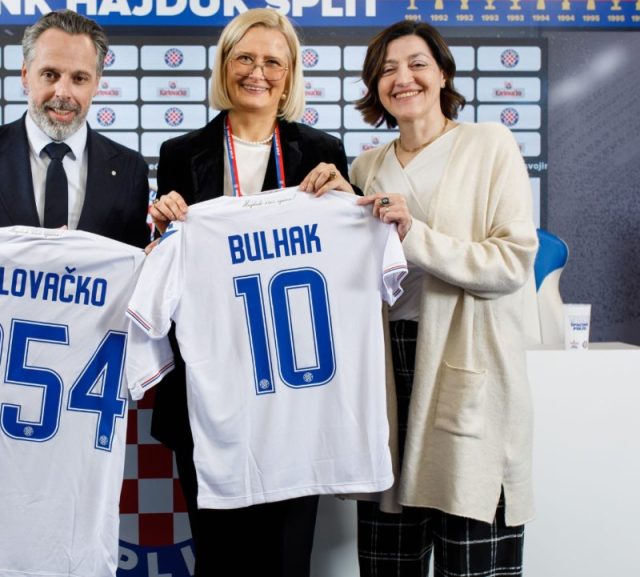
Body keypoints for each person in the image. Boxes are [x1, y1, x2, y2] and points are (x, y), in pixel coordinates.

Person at [146, 9, 355, 576]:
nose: (257, 72)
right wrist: (161, 230)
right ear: (223, 65)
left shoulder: (322, 152)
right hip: (209, 391)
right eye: (244, 57)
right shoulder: (180, 153)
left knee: (286, 560)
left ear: (290, 76)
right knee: (219, 557)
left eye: (272, 62)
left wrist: (349, 197)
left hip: (294, 392)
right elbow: (167, 266)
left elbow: (346, 261)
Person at [350, 20, 538, 577]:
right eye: (387, 69)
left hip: (464, 364)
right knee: (389, 556)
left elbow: (512, 262)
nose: (402, 78)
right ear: (375, 86)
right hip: (388, 373)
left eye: (417, 64)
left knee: (470, 545)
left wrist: (416, 234)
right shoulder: (366, 168)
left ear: (443, 74)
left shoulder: (488, 145)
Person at [0, 9, 150, 248]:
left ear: (97, 84)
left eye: (79, 78)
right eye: (50, 75)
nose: (63, 92)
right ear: (25, 75)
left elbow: (137, 262)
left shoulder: (130, 170)